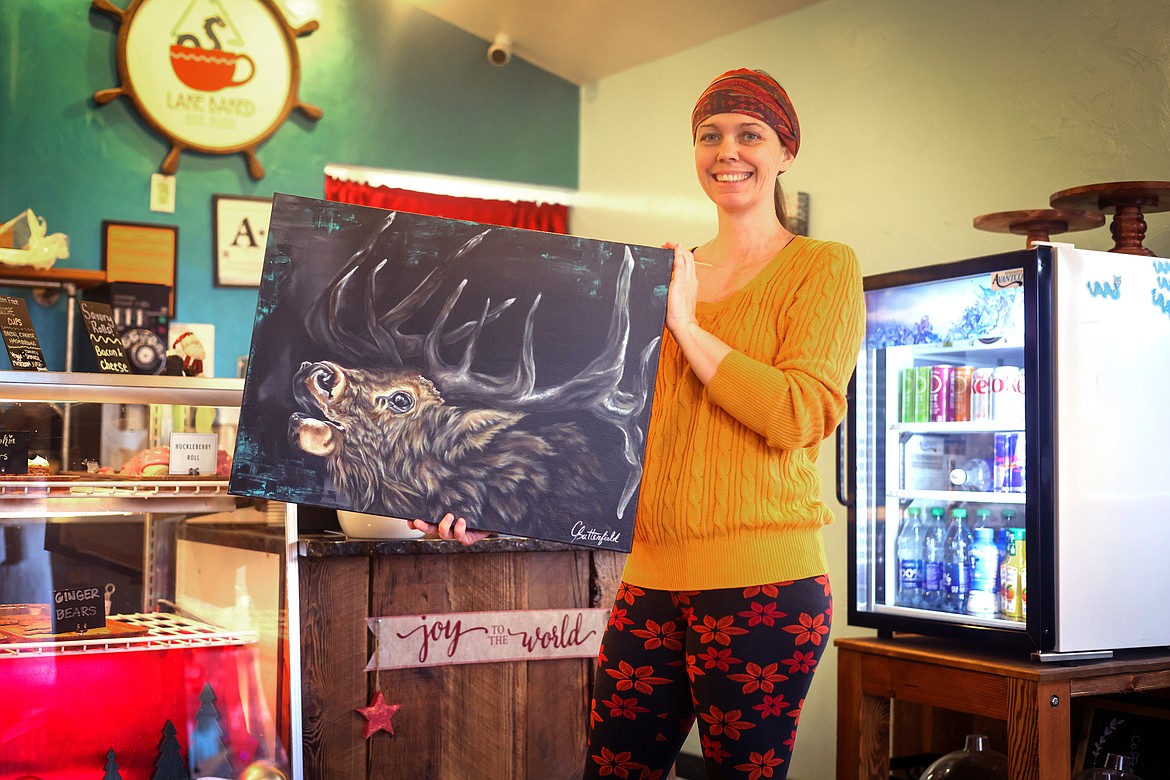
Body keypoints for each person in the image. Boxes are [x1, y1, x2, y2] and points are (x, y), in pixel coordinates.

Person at [411, 67, 865, 779]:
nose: (728, 151)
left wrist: (684, 325)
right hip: (648, 580)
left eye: (750, 134)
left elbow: (799, 413)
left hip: (764, 592)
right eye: (709, 135)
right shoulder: (655, 272)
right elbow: (599, 430)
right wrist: (494, 504)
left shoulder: (822, 267)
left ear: (785, 152)